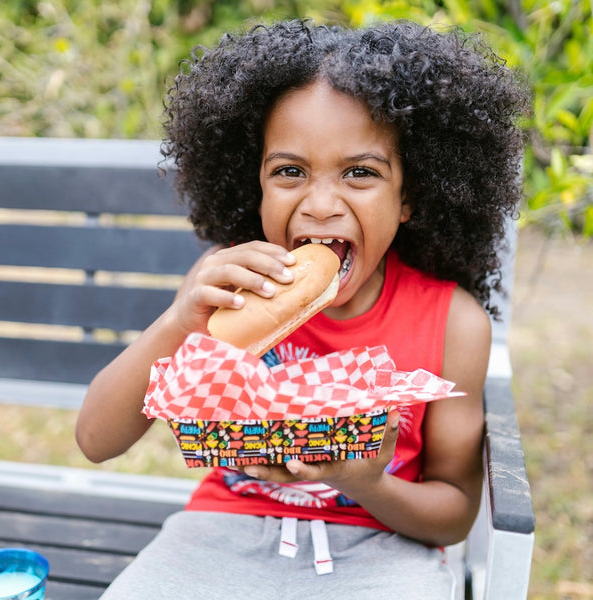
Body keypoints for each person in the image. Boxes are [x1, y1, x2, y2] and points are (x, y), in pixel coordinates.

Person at [76, 18, 529, 599]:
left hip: (380, 547)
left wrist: (367, 482)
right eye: (289, 171)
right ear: (255, 184)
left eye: (360, 173)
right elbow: (96, 440)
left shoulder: (453, 324)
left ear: (409, 196)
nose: (319, 205)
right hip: (221, 530)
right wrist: (179, 320)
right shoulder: (224, 291)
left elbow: (453, 513)